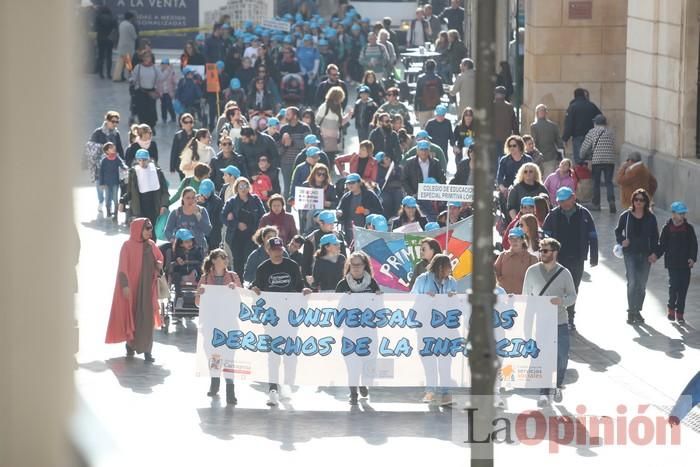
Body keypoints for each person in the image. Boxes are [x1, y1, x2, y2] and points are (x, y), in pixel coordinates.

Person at [251, 237, 312, 406]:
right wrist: (254, 290)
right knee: (273, 354)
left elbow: (299, 284)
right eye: (274, 249)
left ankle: (286, 383)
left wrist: (305, 289)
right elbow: (257, 287)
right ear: (268, 250)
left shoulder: (292, 265)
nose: (278, 252)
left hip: (290, 316)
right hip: (271, 318)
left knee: (290, 353)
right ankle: (272, 388)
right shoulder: (262, 268)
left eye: (280, 249)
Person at [522, 238, 577, 407]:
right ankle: (544, 392)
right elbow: (525, 296)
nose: (542, 253)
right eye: (541, 250)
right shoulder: (531, 271)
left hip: (560, 321)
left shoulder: (564, 273)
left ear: (554, 253)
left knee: (561, 356)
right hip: (540, 321)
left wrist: (561, 301)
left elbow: (572, 296)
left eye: (546, 250)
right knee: (544, 357)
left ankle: (557, 384)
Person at [105, 218, 163, 362]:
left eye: (150, 228)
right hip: (132, 290)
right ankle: (130, 345)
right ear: (138, 229)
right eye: (147, 228)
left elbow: (159, 260)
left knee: (147, 318)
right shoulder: (127, 246)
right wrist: (125, 286)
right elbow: (123, 268)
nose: (150, 231)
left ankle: (147, 351)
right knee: (131, 316)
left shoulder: (151, 245)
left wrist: (159, 265)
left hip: (147, 290)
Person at [542, 187, 598, 330]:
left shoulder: (584, 214)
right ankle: (557, 317)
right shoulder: (553, 215)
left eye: (566, 200)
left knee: (573, 288)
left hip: (577, 257)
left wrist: (594, 256)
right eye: (561, 201)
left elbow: (592, 235)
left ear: (573, 198)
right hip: (558, 259)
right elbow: (545, 236)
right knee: (557, 288)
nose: (564, 203)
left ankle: (570, 317)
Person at [196, 248, 241, 406]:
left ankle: (230, 390)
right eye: (222, 257)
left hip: (229, 323)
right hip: (211, 324)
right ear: (214, 260)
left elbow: (241, 299)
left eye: (226, 257)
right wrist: (200, 293)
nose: (225, 260)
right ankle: (215, 382)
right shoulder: (205, 278)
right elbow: (198, 303)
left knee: (229, 357)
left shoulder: (233, 277)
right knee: (213, 355)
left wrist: (235, 291)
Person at [335, 251, 381, 405]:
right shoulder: (342, 284)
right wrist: (343, 299)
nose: (355, 268)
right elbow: (335, 309)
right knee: (352, 363)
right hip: (350, 331)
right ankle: (353, 392)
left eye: (359, 265)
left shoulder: (372, 283)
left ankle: (364, 383)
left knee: (368, 360)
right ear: (349, 266)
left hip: (368, 331)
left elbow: (380, 308)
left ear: (364, 266)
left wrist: (379, 297)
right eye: (352, 265)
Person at [412, 254, 458, 406]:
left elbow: (457, 307)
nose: (450, 270)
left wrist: (453, 298)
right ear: (439, 267)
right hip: (426, 328)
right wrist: (424, 298)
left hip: (446, 329)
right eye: (448, 267)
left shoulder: (452, 282)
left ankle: (446, 393)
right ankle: (430, 391)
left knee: (445, 362)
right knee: (429, 361)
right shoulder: (422, 280)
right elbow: (411, 300)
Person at [614, 189, 659, 325]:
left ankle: (637, 310)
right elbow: (617, 231)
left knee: (642, 284)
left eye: (641, 200)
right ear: (633, 201)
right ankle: (631, 311)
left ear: (646, 202)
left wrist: (654, 253)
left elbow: (655, 236)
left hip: (646, 254)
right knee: (632, 281)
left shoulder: (651, 217)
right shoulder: (626, 216)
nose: (638, 202)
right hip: (630, 253)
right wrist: (622, 240)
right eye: (636, 200)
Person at [657, 201, 697, 323]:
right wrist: (655, 255)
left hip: (685, 264)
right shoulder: (667, 228)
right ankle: (671, 309)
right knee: (674, 286)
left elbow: (694, 245)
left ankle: (680, 313)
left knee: (683, 288)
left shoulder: (689, 228)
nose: (683, 216)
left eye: (684, 213)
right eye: (680, 213)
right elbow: (662, 245)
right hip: (672, 264)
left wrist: (692, 258)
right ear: (673, 214)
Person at [221, 177, 266, 278]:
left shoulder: (255, 200)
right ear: (236, 188)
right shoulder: (231, 201)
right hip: (235, 236)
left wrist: (251, 227)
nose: (243, 188)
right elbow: (223, 217)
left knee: (250, 258)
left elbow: (262, 216)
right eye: (241, 186)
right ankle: (238, 280)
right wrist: (236, 223)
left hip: (251, 235)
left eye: (245, 186)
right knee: (237, 259)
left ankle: (251, 280)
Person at [580, 114, 617, 212]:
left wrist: (581, 156)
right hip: (609, 161)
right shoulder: (610, 132)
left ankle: (596, 203)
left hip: (597, 161)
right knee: (609, 182)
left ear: (595, 123)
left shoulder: (592, 132)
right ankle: (611, 201)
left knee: (596, 183)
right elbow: (613, 145)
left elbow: (585, 146)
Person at [124, 149, 169, 226]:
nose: (142, 162)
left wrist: (164, 205)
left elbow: (164, 191)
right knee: (141, 231)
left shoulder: (157, 172)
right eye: (139, 160)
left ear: (148, 159)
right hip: (139, 208)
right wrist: (122, 201)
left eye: (144, 160)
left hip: (154, 206)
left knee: (152, 231)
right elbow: (130, 192)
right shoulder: (133, 172)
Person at [337, 173, 384, 243]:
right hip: (351, 230)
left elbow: (380, 211)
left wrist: (369, 212)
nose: (350, 185)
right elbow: (340, 210)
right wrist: (339, 213)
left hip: (368, 230)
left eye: (353, 182)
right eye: (348, 183)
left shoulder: (370, 195)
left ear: (359, 183)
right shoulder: (346, 197)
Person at [164, 186, 213, 252]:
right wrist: (174, 240)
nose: (190, 200)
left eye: (193, 198)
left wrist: (198, 215)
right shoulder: (176, 213)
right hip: (181, 250)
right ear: (183, 199)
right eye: (188, 198)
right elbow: (167, 231)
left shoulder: (202, 211)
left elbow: (208, 230)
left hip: (199, 249)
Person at [302, 210, 348, 278]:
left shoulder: (338, 236)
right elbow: (305, 264)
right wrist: (308, 281)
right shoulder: (310, 239)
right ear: (321, 223)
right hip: (319, 278)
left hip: (336, 277)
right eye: (329, 223)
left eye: (333, 222)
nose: (332, 225)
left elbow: (344, 257)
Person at [562, 88, 602, 164]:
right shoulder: (591, 105)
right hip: (591, 136)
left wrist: (565, 138)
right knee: (590, 159)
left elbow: (569, 124)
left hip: (578, 136)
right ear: (583, 95)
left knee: (579, 160)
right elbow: (600, 118)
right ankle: (589, 173)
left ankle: (581, 174)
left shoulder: (572, 107)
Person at [494, 227, 538, 294]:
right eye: (512, 238)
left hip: (523, 300)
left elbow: (536, 282)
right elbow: (495, 274)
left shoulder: (532, 259)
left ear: (523, 240)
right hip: (504, 300)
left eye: (518, 238)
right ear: (508, 240)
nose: (515, 241)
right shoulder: (502, 256)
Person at [316, 86, 352, 162]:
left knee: (330, 157)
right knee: (327, 156)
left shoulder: (339, 107)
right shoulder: (324, 106)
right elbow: (317, 120)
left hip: (333, 137)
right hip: (324, 136)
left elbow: (340, 123)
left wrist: (349, 115)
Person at [279, 107, 312, 183]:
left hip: (301, 162)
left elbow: (308, 145)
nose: (286, 116)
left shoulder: (304, 128)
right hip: (286, 163)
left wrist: (292, 142)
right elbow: (279, 147)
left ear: (295, 116)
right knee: (287, 186)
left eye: (288, 114)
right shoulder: (283, 129)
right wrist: (284, 144)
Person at [530, 104, 564, 176]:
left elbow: (533, 142)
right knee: (547, 178)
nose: (542, 113)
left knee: (541, 178)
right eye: (541, 111)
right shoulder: (553, 125)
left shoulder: (534, 126)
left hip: (543, 156)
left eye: (543, 111)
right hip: (546, 156)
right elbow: (559, 141)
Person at [130, 53, 160, 130]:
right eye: (145, 57)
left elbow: (161, 78)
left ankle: (151, 127)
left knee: (151, 110)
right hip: (140, 92)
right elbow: (133, 78)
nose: (147, 59)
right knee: (141, 110)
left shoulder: (155, 68)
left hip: (151, 92)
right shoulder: (138, 67)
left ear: (151, 58)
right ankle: (143, 127)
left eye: (148, 57)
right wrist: (132, 82)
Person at [98, 142, 128, 220]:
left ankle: (115, 214)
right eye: (111, 148)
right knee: (108, 198)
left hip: (115, 182)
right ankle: (108, 211)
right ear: (107, 151)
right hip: (107, 183)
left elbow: (122, 164)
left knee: (115, 198)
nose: (113, 148)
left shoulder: (116, 158)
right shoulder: (104, 161)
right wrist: (101, 183)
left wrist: (125, 167)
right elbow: (101, 173)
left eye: (113, 147)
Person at [493, 86, 519, 167]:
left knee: (493, 160)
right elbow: (514, 124)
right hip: (506, 138)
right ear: (504, 95)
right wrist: (517, 136)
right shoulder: (509, 107)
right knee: (505, 158)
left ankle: (495, 177)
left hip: (493, 138)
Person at [414, 60, 445, 129]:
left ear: (425, 67)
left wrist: (416, 109)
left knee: (424, 129)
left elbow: (417, 95)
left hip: (423, 108)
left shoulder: (420, 79)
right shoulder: (438, 79)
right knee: (436, 129)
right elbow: (441, 93)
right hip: (436, 108)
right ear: (435, 68)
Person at [197, 179, 223, 252]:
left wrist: (203, 204)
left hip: (214, 234)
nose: (205, 195)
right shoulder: (197, 199)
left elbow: (210, 216)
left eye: (207, 193)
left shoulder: (217, 201)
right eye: (203, 193)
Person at [112, 11, 138, 81]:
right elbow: (134, 36)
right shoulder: (130, 26)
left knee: (119, 63)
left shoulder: (121, 24)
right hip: (128, 47)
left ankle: (116, 77)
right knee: (128, 64)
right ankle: (128, 77)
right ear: (131, 18)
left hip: (121, 46)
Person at [170, 114, 196, 179]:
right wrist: (172, 167)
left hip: (194, 164)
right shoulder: (178, 136)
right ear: (182, 123)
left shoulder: (196, 134)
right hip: (182, 165)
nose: (188, 124)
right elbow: (174, 151)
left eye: (190, 122)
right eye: (186, 122)